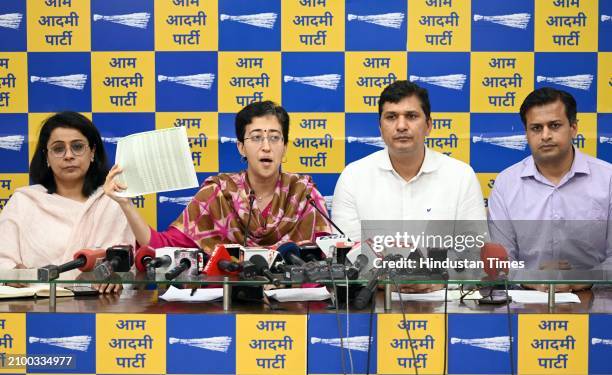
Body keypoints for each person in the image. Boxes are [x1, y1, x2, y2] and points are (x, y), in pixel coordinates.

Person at [104, 101, 331, 251]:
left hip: (293, 307)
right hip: (227, 304)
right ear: (241, 147)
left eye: (274, 138)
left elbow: (327, 256)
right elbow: (160, 247)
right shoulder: (219, 193)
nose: (266, 147)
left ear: (285, 146)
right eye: (256, 138)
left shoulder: (304, 194)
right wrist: (126, 204)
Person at [332, 80, 486, 293]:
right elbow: (347, 254)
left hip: (445, 303)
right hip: (373, 303)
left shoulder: (460, 176)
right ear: (380, 127)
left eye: (411, 116)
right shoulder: (353, 176)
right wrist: (389, 277)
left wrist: (436, 278)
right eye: (391, 117)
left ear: (429, 125)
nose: (401, 126)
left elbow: (475, 254)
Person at [488, 87, 612, 291]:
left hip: (599, 303)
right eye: (536, 128)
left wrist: (584, 278)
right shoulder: (506, 184)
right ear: (526, 133)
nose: (545, 135)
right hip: (525, 303)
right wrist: (533, 278)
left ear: (573, 128)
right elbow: (500, 262)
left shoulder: (607, 179)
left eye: (554, 126)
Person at [0, 111, 134, 292]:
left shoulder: (112, 201)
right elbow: (3, 260)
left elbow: (127, 267)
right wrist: (12, 274)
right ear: (46, 157)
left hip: (99, 308)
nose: (69, 155)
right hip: (34, 307)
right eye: (58, 148)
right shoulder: (23, 202)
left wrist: (115, 277)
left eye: (77, 147)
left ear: (92, 152)